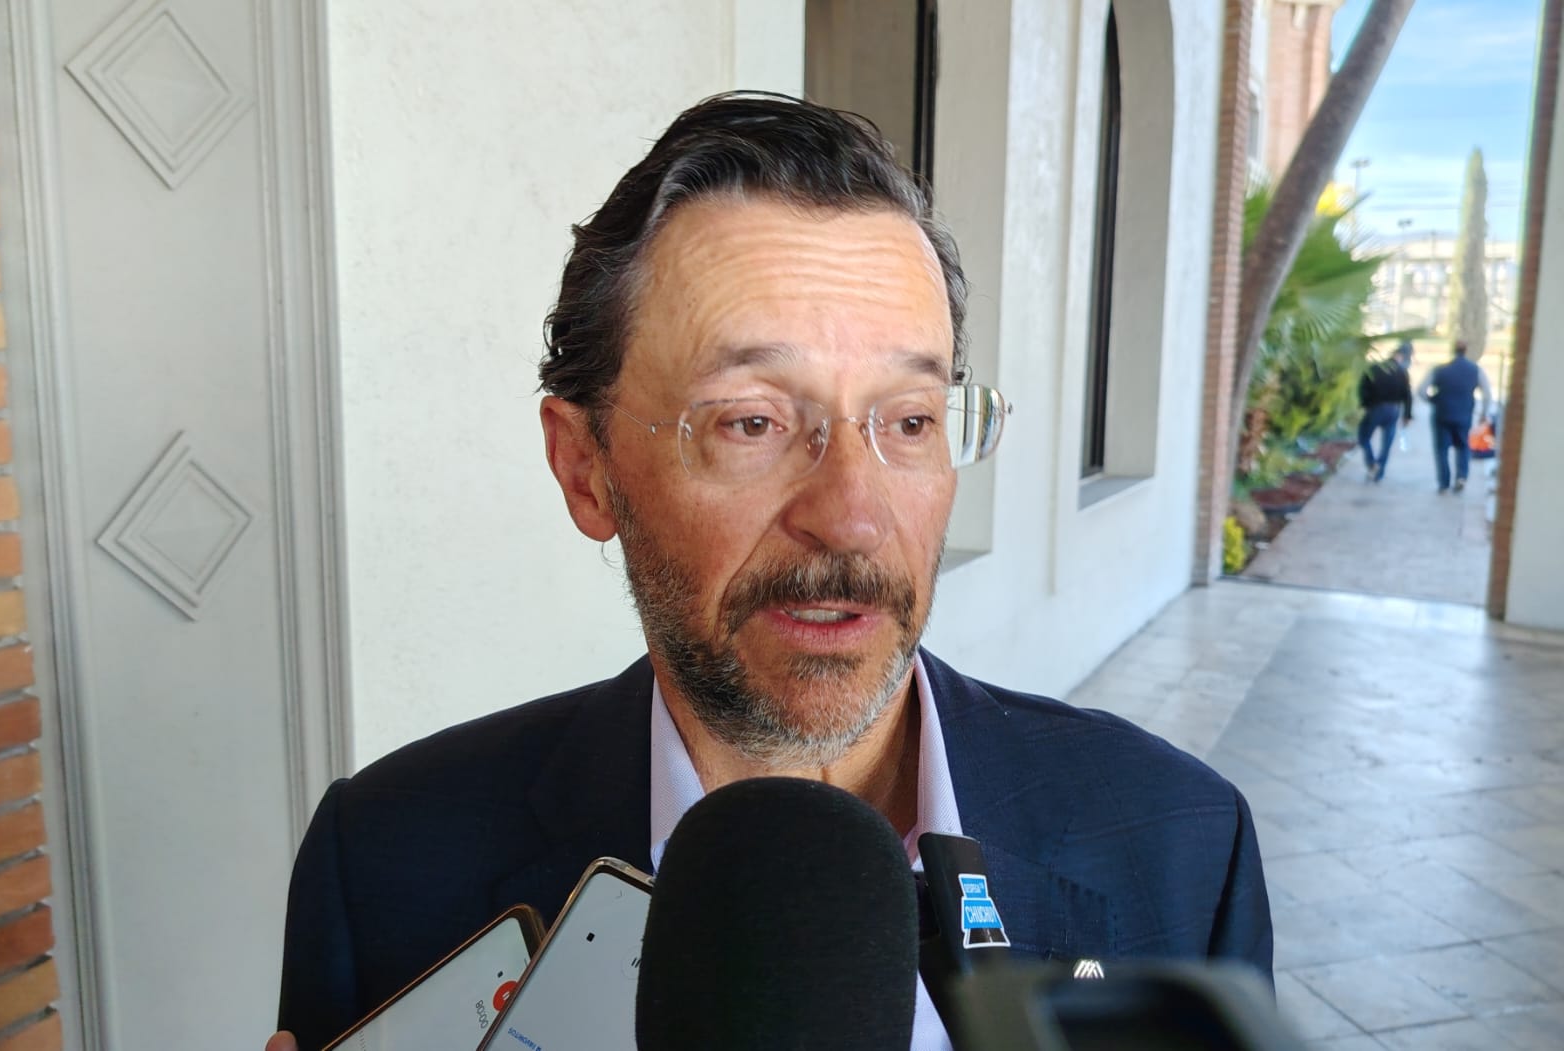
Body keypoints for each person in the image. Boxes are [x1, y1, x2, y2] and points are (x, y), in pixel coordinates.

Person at [266, 93, 1272, 1051]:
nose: (852, 515)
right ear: (586, 469)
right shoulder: (389, 864)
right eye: (751, 422)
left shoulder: (1182, 850)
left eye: (909, 421)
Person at [1416, 339, 1494, 493]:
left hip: (1442, 414)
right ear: (1466, 351)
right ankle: (1461, 477)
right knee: (1463, 446)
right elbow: (1487, 394)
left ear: (1453, 350)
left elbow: (1421, 390)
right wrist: (1484, 413)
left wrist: (1433, 400)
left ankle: (1444, 482)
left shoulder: (1439, 370)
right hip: (1464, 415)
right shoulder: (1475, 370)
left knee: (1442, 449)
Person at [1356, 340, 1414, 481]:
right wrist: (1407, 415)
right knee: (1387, 443)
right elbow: (1407, 395)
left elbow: (1363, 388)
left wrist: (1366, 404)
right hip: (1393, 409)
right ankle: (1379, 471)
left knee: (1364, 436)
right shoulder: (1402, 372)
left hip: (1376, 407)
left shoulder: (1375, 369)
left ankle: (1371, 463)